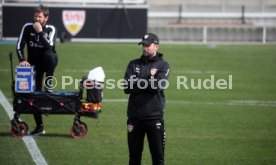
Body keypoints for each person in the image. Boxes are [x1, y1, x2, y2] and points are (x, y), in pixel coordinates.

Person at [124, 33, 170, 165]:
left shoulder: (163, 65)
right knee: (134, 157)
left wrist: (137, 82)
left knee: (158, 158)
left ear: (156, 46)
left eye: (147, 45)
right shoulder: (133, 64)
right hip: (134, 118)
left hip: (154, 118)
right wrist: (148, 81)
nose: (144, 48)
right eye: (143, 45)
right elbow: (127, 87)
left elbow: (158, 86)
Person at [16, 5, 58, 135]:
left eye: (39, 16)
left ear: (46, 18)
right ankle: (40, 126)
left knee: (49, 54)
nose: (36, 18)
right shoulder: (27, 27)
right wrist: (22, 60)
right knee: (33, 96)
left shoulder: (50, 29)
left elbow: (50, 47)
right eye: (35, 16)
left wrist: (40, 32)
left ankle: (49, 84)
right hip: (34, 67)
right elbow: (19, 46)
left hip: (48, 63)